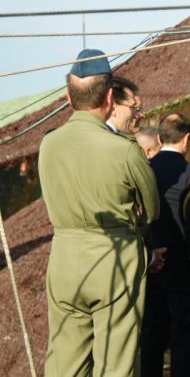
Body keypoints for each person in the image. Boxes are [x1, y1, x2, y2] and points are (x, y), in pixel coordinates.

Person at [39, 49, 159, 376]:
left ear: (68, 97)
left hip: (64, 258)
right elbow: (152, 209)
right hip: (115, 258)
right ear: (109, 97)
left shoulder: (49, 144)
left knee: (64, 363)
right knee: (116, 362)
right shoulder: (125, 150)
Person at [140, 113, 190, 377]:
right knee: (186, 341)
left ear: (159, 139)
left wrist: (147, 255)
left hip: (150, 263)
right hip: (183, 267)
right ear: (187, 138)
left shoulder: (144, 169)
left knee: (151, 337)